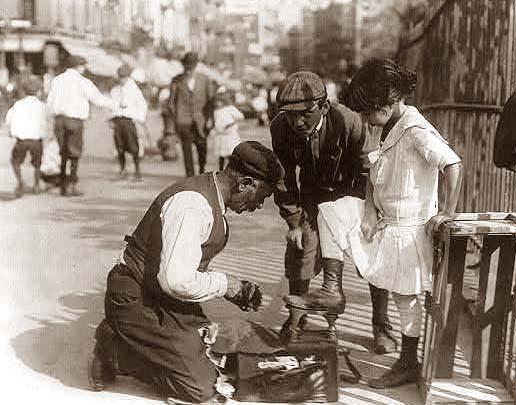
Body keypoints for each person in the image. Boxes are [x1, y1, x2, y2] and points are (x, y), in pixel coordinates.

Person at [88, 141, 286, 404]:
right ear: (245, 183)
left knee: (210, 349)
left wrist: (232, 289)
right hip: (133, 296)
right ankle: (115, 351)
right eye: (263, 195)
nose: (260, 205)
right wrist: (227, 286)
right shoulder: (193, 206)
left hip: (159, 294)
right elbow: (177, 281)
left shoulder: (210, 196)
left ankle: (147, 346)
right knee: (199, 388)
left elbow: (179, 269)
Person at [320, 58, 463, 388]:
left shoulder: (415, 130)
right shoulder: (389, 127)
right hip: (385, 222)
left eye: (368, 111)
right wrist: (368, 211)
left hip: (409, 229)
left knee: (405, 299)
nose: (366, 120)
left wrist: (447, 214)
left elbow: (453, 165)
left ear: (386, 101)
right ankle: (331, 286)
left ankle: (408, 361)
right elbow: (373, 175)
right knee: (330, 211)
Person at [270, 71, 395, 351]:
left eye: (305, 113)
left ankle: (380, 323)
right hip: (313, 198)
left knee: (372, 255)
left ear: (323, 107)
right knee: (301, 249)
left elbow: (370, 171)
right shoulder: (280, 127)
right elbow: (284, 178)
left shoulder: (348, 121)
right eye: (290, 115)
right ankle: (297, 319)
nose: (297, 122)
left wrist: (370, 214)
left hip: (354, 192)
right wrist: (293, 221)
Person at [47, 54, 117, 196]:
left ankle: (62, 183)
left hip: (59, 120)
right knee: (75, 152)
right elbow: (97, 99)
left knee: (63, 152)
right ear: (78, 66)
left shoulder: (57, 80)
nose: (84, 68)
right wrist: (115, 105)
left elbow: (50, 101)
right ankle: (71, 185)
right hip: (75, 121)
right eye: (83, 66)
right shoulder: (83, 81)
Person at [166, 51, 215, 176]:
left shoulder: (205, 80)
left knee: (202, 147)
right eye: (187, 67)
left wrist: (209, 118)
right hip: (183, 122)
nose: (189, 70)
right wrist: (176, 118)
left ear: (195, 66)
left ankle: (202, 171)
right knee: (186, 150)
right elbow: (171, 102)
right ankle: (190, 177)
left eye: (191, 67)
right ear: (183, 66)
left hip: (200, 121)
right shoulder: (176, 81)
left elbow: (210, 101)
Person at [5, 76, 48, 198]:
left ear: (24, 91)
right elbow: (46, 121)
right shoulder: (42, 106)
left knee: (15, 161)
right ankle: (36, 185)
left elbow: (9, 119)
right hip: (36, 140)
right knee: (37, 163)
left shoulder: (18, 105)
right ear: (38, 91)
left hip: (22, 139)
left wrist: (11, 131)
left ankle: (20, 181)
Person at [110, 64, 148, 181]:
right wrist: (112, 116)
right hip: (118, 121)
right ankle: (123, 170)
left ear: (128, 77)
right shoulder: (115, 90)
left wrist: (139, 118)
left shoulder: (134, 90)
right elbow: (111, 105)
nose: (122, 79)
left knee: (133, 146)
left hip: (129, 120)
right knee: (119, 146)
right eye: (120, 77)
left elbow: (142, 105)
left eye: (124, 77)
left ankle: (137, 171)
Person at [212, 88, 244, 171]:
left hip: (230, 135)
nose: (218, 103)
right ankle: (221, 170)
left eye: (220, 101)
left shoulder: (230, 109)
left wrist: (232, 123)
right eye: (217, 102)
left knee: (231, 153)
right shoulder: (216, 111)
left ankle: (234, 170)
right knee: (221, 155)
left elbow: (241, 116)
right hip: (221, 135)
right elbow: (216, 123)